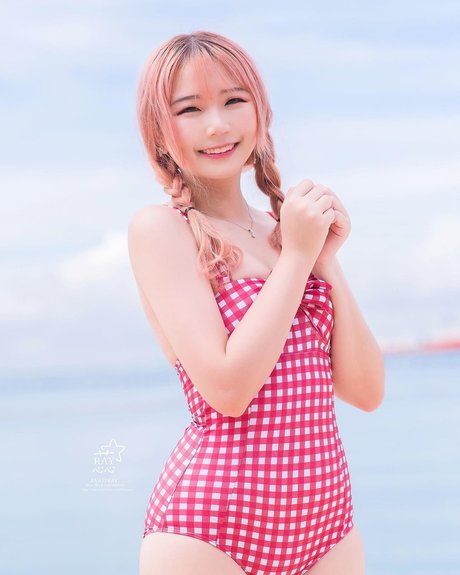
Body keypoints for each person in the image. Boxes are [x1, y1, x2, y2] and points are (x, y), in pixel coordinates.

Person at [128, 30, 385, 575]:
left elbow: (366, 392)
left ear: (260, 111)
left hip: (328, 528)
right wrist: (298, 256)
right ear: (160, 130)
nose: (217, 125)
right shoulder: (162, 230)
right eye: (190, 109)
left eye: (233, 100)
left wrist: (324, 260)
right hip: (212, 532)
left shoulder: (286, 233)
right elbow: (227, 390)